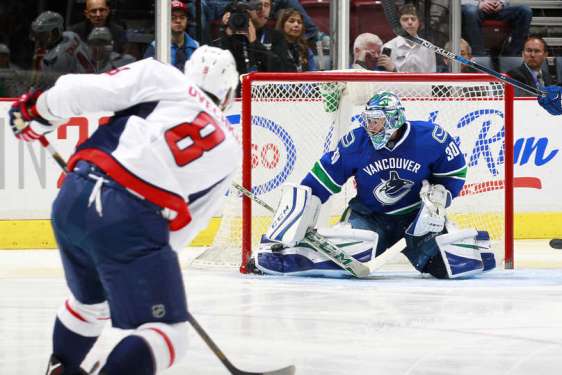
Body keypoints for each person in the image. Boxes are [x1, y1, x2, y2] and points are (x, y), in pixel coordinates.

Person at [8, 46, 240, 374]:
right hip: (130, 220)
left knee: (88, 305)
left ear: (187, 70)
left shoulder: (164, 76)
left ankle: (60, 368)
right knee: (169, 334)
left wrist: (38, 112)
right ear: (229, 94)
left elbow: (79, 90)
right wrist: (150, 269)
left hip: (74, 195)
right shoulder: (230, 149)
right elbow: (185, 226)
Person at [249, 92, 495, 279]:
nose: (370, 127)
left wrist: (442, 196)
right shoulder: (356, 142)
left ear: (394, 119)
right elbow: (320, 182)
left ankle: (466, 245)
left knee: (450, 264)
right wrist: (295, 222)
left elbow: (454, 172)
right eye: (368, 120)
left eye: (376, 121)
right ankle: (281, 256)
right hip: (369, 217)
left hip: (415, 220)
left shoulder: (430, 137)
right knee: (351, 254)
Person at [213, 0, 291, 81]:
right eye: (258, 5)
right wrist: (225, 34)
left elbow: (281, 70)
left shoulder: (276, 36)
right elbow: (218, 69)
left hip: (265, 91)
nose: (262, 9)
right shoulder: (232, 34)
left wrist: (255, 43)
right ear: (247, 8)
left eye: (266, 5)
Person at [30, 11, 95, 88]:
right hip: (91, 78)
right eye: (38, 35)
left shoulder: (55, 58)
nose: (38, 40)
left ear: (55, 33)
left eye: (42, 35)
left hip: (79, 90)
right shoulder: (70, 35)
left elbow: (49, 90)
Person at [461, 0, 532, 56]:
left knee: (525, 11)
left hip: (497, 9)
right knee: (471, 11)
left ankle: (512, 55)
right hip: (474, 7)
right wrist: (478, 4)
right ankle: (479, 56)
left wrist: (501, 3)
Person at [144, 1, 200, 72]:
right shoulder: (156, 47)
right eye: (173, 17)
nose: (178, 21)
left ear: (187, 20)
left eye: (182, 17)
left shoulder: (196, 47)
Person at [382, 4, 436, 73]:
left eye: (413, 19)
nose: (410, 22)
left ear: (419, 23)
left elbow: (432, 77)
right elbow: (385, 80)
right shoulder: (388, 47)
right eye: (405, 19)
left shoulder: (429, 48)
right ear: (399, 23)